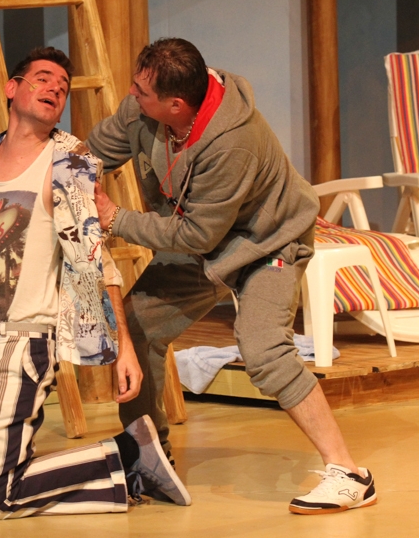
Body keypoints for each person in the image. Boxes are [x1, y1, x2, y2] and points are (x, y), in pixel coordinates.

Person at [87, 38, 377, 515]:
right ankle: (148, 456)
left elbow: (197, 233)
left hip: (268, 241)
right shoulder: (142, 111)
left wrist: (115, 219)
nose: (131, 95)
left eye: (142, 91)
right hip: (207, 239)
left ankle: (349, 474)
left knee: (263, 347)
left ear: (176, 105)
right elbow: (91, 154)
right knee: (137, 327)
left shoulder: (233, 142)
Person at [0, 47, 191, 520]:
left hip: (22, 342)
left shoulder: (70, 164)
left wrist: (124, 347)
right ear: (12, 88)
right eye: (42, 78)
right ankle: (128, 472)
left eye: (62, 86)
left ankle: (126, 451)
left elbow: (97, 260)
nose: (54, 88)